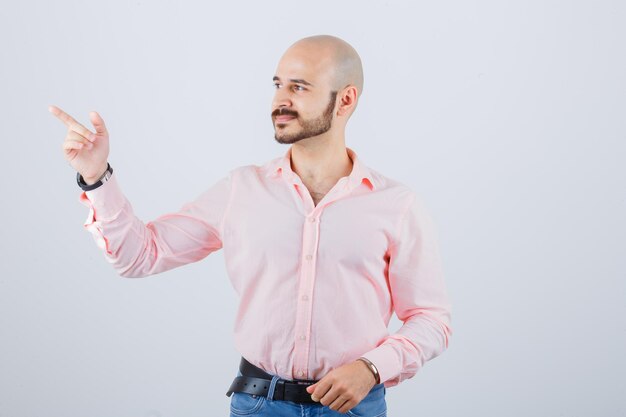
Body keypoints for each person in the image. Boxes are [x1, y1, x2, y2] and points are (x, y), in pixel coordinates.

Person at [50, 34, 452, 417]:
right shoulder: (241, 190)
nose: (280, 100)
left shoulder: (396, 205)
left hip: (354, 407)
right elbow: (140, 256)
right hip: (259, 404)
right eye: (278, 85)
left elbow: (430, 319)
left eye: (299, 87)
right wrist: (96, 176)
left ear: (345, 100)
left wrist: (372, 367)